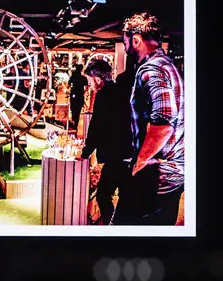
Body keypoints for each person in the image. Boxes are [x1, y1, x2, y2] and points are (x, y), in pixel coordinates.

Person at [115, 13, 185, 225]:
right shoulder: (167, 65)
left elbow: (164, 122)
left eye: (125, 40)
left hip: (155, 176)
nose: (125, 45)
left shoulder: (151, 69)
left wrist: (140, 162)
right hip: (169, 173)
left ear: (136, 40)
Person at [81, 58, 134, 225]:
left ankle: (113, 228)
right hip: (129, 151)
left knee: (103, 195)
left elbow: (97, 126)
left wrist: (85, 153)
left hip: (116, 155)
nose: (89, 84)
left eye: (90, 80)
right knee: (124, 197)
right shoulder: (121, 91)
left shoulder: (103, 95)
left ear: (98, 79)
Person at [68, 65, 87, 132]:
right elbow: (86, 88)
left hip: (73, 95)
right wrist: (83, 92)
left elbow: (68, 85)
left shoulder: (73, 77)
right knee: (78, 111)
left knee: (73, 110)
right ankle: (75, 124)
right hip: (80, 96)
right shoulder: (83, 78)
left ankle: (73, 122)